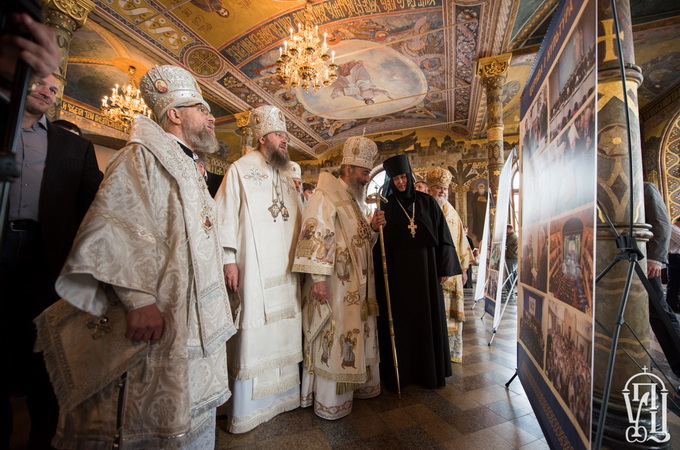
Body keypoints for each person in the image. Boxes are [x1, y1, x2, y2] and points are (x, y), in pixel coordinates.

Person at [33, 65, 236, 449]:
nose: (211, 117)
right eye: (201, 108)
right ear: (174, 114)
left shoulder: (191, 165)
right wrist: (138, 299)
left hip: (192, 314)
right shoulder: (140, 157)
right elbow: (115, 225)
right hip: (161, 309)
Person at [1, 73, 103, 449]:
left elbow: (94, 209)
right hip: (2, 247)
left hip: (48, 258)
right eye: (40, 83)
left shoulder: (74, 147)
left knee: (45, 349)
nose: (47, 91)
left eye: (55, 88)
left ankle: (44, 437)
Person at [215, 105, 302, 433]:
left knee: (284, 328)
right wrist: (228, 259)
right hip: (252, 268)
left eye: (285, 135)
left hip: (288, 269)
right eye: (280, 135)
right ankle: (248, 410)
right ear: (263, 137)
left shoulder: (287, 172)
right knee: (254, 327)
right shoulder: (239, 170)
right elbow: (223, 216)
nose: (285, 140)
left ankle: (283, 399)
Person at [292, 136, 385, 419]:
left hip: (356, 285)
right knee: (337, 335)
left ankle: (358, 387)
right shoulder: (326, 194)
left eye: (368, 172)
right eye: (362, 171)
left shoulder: (354, 201)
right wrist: (318, 279)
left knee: (357, 332)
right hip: (334, 283)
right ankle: (330, 401)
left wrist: (372, 229)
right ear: (347, 168)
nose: (366, 177)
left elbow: (359, 242)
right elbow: (315, 233)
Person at [374, 154, 461, 390]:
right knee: (401, 322)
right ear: (390, 181)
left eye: (403, 177)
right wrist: (376, 227)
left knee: (427, 318)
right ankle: (401, 372)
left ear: (410, 176)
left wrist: (444, 267)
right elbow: (377, 245)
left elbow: (443, 235)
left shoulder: (427, 202)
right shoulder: (385, 206)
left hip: (426, 268)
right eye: (395, 179)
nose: (401, 182)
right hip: (397, 275)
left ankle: (428, 372)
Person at [426, 167, 473, 364]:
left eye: (444, 188)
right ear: (429, 190)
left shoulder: (453, 212)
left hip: (452, 275)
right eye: (438, 188)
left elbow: (462, 241)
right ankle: (437, 355)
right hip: (434, 274)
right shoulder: (426, 210)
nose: (442, 192)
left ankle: (452, 353)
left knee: (453, 317)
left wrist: (463, 270)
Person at [643, 182, 680, 384]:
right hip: (619, 264)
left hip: (644, 263)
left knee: (659, 312)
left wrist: (655, 259)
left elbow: (662, 223)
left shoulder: (645, 187)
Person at [667, 216, 680, 312]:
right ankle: (671, 306)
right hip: (674, 258)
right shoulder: (672, 228)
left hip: (677, 257)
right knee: (673, 283)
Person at [505, 224, 519, 295]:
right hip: (511, 257)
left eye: (507, 229)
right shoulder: (511, 236)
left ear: (510, 229)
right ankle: (510, 288)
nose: (506, 231)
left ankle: (510, 289)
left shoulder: (512, 236)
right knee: (511, 273)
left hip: (512, 257)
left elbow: (505, 243)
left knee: (510, 273)